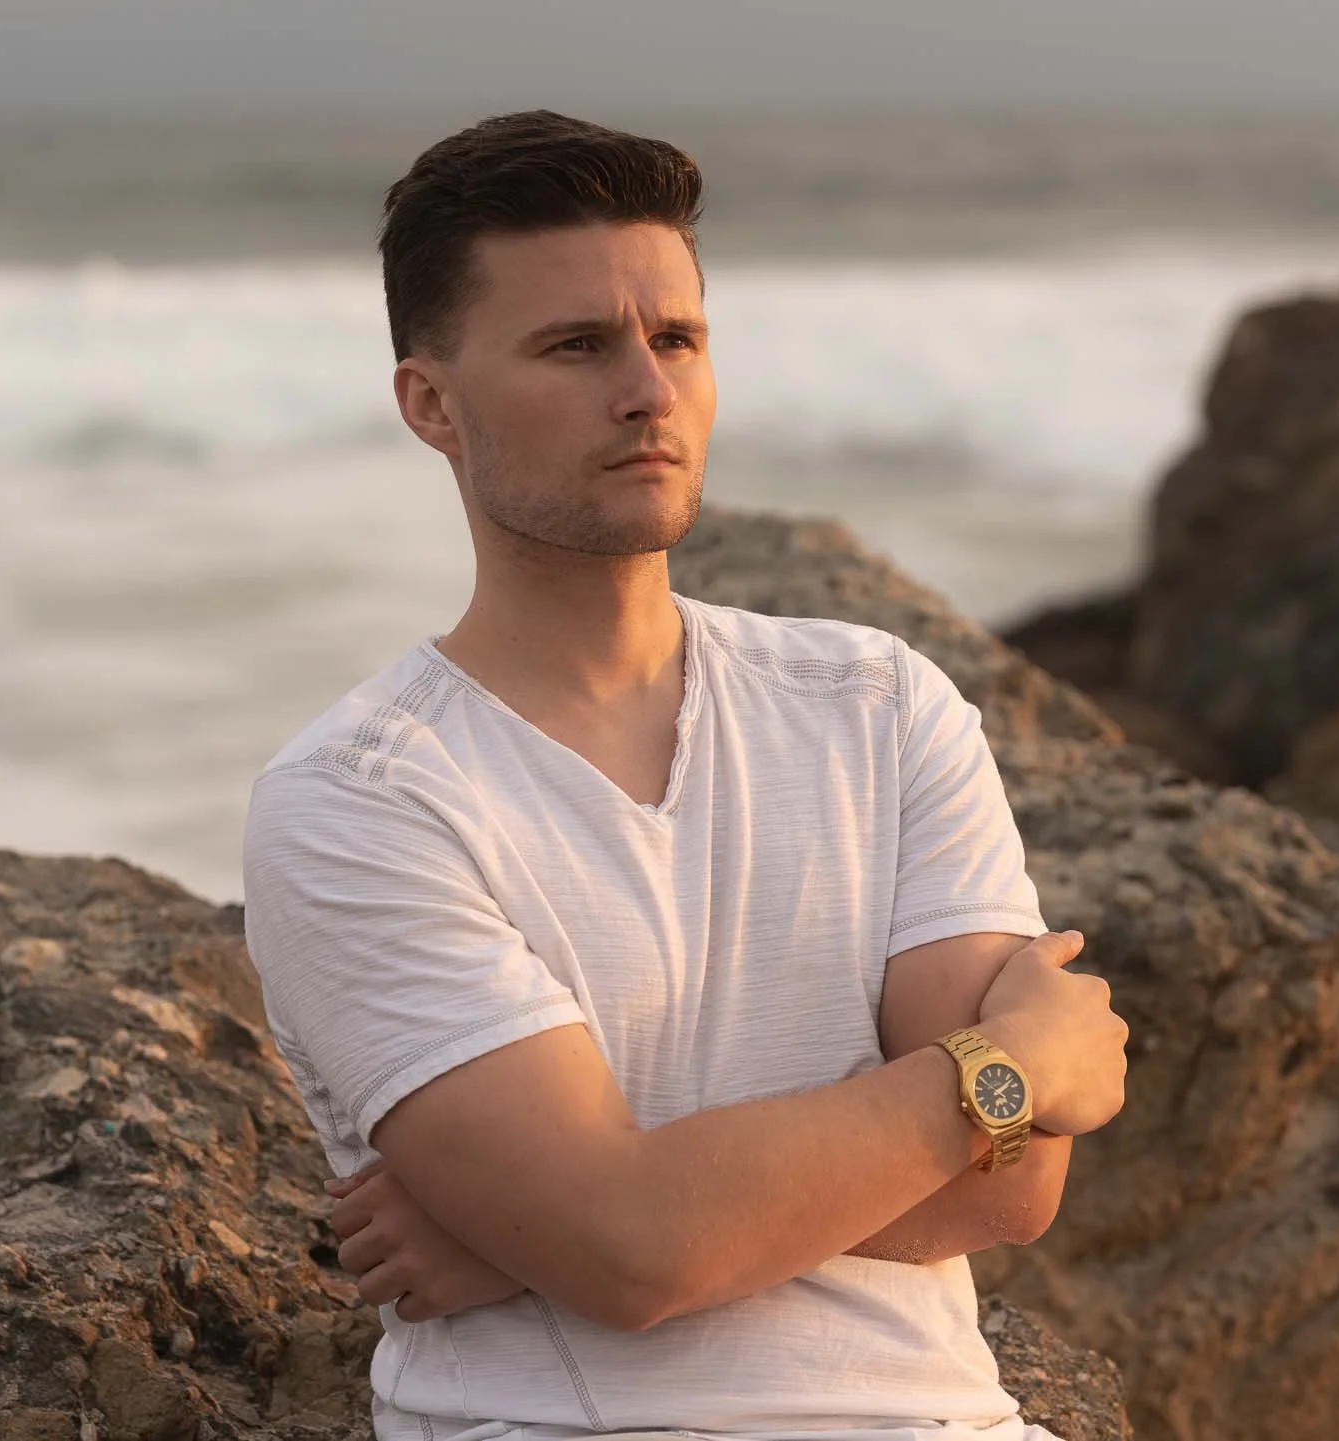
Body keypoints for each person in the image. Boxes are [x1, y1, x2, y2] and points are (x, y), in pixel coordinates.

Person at [240, 109, 1130, 1441]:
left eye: (677, 338)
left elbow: (1011, 1194)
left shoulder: (878, 707)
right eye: (577, 346)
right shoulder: (361, 800)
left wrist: (544, 1225)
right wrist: (998, 1068)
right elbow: (632, 1253)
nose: (647, 389)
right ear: (431, 403)